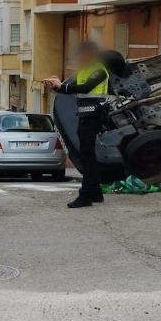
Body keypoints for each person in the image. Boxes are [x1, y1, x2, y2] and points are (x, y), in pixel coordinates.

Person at [44, 41, 110, 208]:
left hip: (94, 116)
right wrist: (56, 86)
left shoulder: (99, 70)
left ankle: (86, 196)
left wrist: (62, 86)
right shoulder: (85, 71)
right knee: (88, 156)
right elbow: (72, 88)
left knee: (87, 157)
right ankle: (95, 193)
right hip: (85, 117)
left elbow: (86, 87)